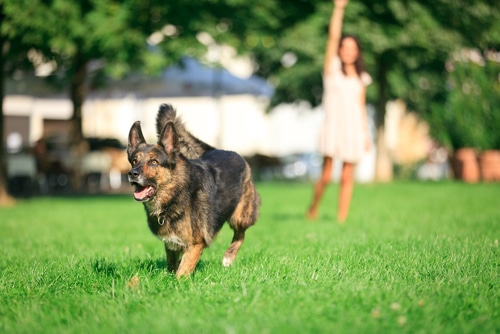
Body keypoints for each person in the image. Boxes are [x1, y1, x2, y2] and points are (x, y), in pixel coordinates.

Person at [306, 0, 372, 223]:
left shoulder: (361, 77)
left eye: (352, 48)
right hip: (333, 127)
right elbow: (333, 37)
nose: (348, 51)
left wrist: (366, 134)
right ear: (340, 50)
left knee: (347, 176)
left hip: (353, 130)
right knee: (326, 175)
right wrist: (339, 8)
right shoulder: (332, 69)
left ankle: (341, 218)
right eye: (345, 47)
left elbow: (361, 108)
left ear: (357, 52)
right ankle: (313, 208)